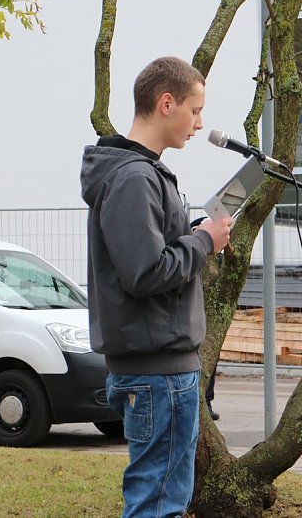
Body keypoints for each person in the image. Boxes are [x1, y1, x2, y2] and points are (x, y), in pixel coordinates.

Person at [80, 56, 234, 518]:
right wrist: (204, 241)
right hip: (158, 376)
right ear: (166, 103)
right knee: (157, 505)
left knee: (163, 500)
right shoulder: (133, 178)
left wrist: (195, 238)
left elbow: (154, 257)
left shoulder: (140, 173)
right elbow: (145, 273)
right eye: (194, 110)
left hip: (161, 370)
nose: (199, 123)